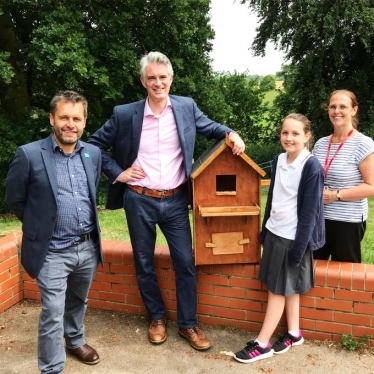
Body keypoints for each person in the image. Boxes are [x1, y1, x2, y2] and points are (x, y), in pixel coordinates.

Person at [88, 51, 245, 350]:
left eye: (163, 77)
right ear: (143, 81)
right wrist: (119, 173)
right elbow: (94, 144)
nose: (157, 83)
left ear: (171, 78)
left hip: (175, 201)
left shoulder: (186, 107)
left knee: (185, 261)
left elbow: (212, 127)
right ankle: (157, 317)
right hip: (139, 199)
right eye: (152, 78)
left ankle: (188, 324)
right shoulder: (125, 114)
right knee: (144, 262)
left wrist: (231, 133)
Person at [6, 90, 103, 373]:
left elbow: (91, 191)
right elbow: (15, 198)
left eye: (76, 118)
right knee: (52, 311)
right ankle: (51, 367)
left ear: (84, 122)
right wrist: (39, 225)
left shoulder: (92, 153)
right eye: (64, 117)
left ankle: (74, 340)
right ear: (52, 119)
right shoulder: (29, 154)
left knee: (78, 300)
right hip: (51, 251)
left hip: (86, 247)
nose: (69, 123)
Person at [234, 113, 325, 363]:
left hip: (293, 238)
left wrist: (299, 247)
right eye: (285, 132)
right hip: (275, 233)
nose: (289, 137)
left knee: (276, 290)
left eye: (296, 133)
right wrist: (265, 230)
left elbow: (310, 212)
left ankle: (262, 343)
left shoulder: (311, 166)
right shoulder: (279, 160)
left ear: (307, 136)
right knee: (288, 287)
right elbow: (273, 198)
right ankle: (294, 333)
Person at [313, 89, 374, 263]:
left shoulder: (363, 143)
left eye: (343, 106)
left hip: (347, 221)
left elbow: (371, 186)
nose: (336, 111)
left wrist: (336, 195)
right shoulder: (321, 143)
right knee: (312, 270)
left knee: (345, 276)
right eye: (333, 106)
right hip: (318, 218)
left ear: (354, 110)